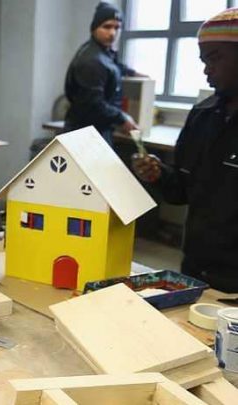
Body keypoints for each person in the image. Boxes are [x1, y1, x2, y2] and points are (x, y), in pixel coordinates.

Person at [132, 8, 238, 293]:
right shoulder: (202, 116)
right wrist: (158, 174)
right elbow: (181, 191)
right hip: (195, 271)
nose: (206, 70)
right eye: (204, 61)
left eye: (215, 58)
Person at [64, 1, 146, 145]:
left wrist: (132, 72)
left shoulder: (102, 52)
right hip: (85, 134)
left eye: (117, 27)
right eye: (107, 27)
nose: (112, 33)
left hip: (97, 129)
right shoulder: (91, 61)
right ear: (94, 28)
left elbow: (113, 65)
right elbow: (93, 103)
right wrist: (122, 118)